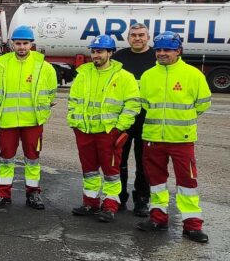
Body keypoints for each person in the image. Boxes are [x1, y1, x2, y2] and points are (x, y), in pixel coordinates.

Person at [136, 32, 211, 243]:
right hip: (153, 138)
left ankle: (192, 224)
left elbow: (203, 103)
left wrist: (182, 118)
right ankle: (158, 218)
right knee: (157, 181)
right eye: (158, 50)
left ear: (178, 51)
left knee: (187, 182)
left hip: (181, 139)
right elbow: (144, 104)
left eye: (167, 50)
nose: (162, 53)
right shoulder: (148, 75)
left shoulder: (193, 75)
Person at [67, 35, 141, 223]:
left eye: (100, 51)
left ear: (110, 53)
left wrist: (119, 128)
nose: (95, 55)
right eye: (93, 51)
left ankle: (110, 206)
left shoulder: (124, 77)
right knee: (89, 170)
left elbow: (133, 105)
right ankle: (90, 202)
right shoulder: (83, 73)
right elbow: (73, 101)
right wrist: (74, 123)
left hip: (109, 133)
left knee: (111, 172)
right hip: (84, 131)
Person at [0, 25, 57, 209]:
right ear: (12, 44)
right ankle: (3, 194)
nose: (22, 47)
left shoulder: (44, 67)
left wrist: (44, 112)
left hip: (33, 121)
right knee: (6, 159)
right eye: (18, 43)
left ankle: (33, 194)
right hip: (8, 122)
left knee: (32, 159)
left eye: (26, 43)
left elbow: (51, 93)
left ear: (32, 44)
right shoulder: (0, 64)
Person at [112, 23, 153, 216]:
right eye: (133, 35)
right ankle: (119, 197)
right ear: (128, 38)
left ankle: (142, 200)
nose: (137, 38)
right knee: (119, 161)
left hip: (147, 121)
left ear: (148, 37)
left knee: (143, 163)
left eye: (141, 35)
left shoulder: (157, 57)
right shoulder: (119, 57)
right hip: (123, 120)